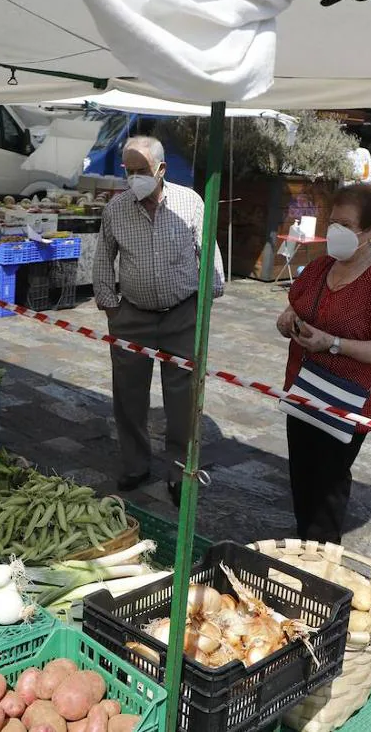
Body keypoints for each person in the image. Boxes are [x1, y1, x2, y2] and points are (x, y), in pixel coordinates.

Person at [93, 136, 225, 497]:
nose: (134, 178)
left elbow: (207, 251)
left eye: (142, 171)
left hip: (182, 313)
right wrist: (110, 305)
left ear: (161, 170)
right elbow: (104, 256)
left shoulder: (190, 202)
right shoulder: (116, 210)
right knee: (128, 396)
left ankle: (180, 473)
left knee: (182, 402)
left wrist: (207, 297)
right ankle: (136, 465)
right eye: (129, 171)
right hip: (132, 314)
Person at [274, 185, 371, 543]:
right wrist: (288, 323)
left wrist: (332, 344)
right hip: (304, 390)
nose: (335, 232)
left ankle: (321, 560)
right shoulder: (318, 268)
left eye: (346, 225)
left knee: (328, 487)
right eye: (333, 223)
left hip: (347, 401)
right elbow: (292, 310)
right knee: (302, 480)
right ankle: (305, 547)